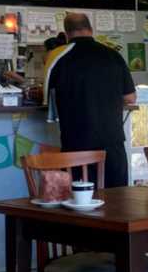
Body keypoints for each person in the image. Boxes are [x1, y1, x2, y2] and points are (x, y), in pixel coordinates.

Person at [44, 13, 136, 187]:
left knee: (81, 205)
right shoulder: (113, 55)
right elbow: (130, 98)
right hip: (112, 144)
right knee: (118, 202)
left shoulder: (58, 57)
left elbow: (46, 96)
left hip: (77, 145)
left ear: (66, 33)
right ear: (91, 29)